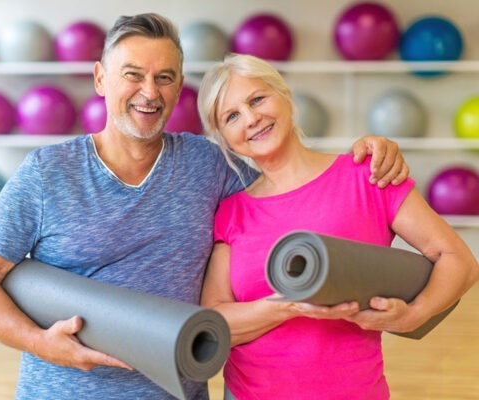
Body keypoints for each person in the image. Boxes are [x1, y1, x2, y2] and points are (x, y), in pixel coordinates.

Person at [0, 13, 410, 400]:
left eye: (164, 78)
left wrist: (363, 155)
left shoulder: (208, 163)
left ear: (177, 89)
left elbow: (290, 190)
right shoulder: (48, 173)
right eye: (133, 74)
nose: (149, 91)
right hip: (67, 388)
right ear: (100, 79)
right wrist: (41, 344)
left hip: (179, 387)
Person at [197, 53, 479, 400]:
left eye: (257, 99)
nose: (252, 118)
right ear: (224, 136)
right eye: (232, 116)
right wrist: (289, 305)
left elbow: (458, 259)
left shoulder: (367, 175)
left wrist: (413, 316)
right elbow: (214, 319)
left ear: (285, 97)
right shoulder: (231, 211)